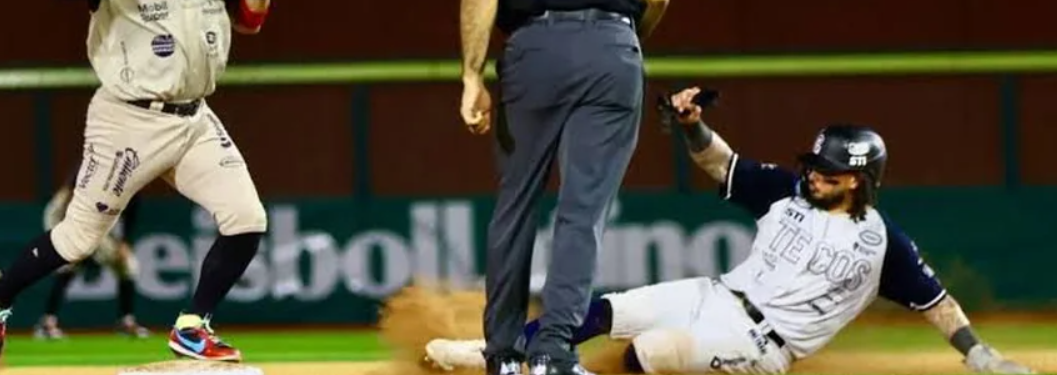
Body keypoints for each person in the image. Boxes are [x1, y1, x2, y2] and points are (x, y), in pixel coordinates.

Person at [423, 87, 1035, 375]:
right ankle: (497, 357)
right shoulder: (788, 194)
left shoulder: (883, 244)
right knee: (600, 310)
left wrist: (980, 356)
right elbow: (723, 164)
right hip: (714, 293)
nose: (812, 174)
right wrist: (690, 125)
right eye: (813, 166)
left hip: (765, 344)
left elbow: (937, 302)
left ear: (857, 180)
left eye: (826, 171)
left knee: (649, 353)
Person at [0, 0, 278, 365]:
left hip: (194, 118)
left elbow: (250, 20)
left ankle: (191, 326)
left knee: (247, 218)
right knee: (76, 240)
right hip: (128, 121)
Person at [454, 0, 673, 375]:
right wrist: (621, 38)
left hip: (535, 49)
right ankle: (552, 352)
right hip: (611, 49)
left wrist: (472, 76)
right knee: (581, 212)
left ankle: (502, 355)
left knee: (517, 205)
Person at [32, 176, 149, 340]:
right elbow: (69, 199)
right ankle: (46, 323)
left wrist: (124, 242)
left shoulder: (132, 179)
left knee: (127, 265)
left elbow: (131, 213)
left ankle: (126, 321)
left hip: (94, 217)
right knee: (68, 263)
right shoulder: (101, 165)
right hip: (62, 214)